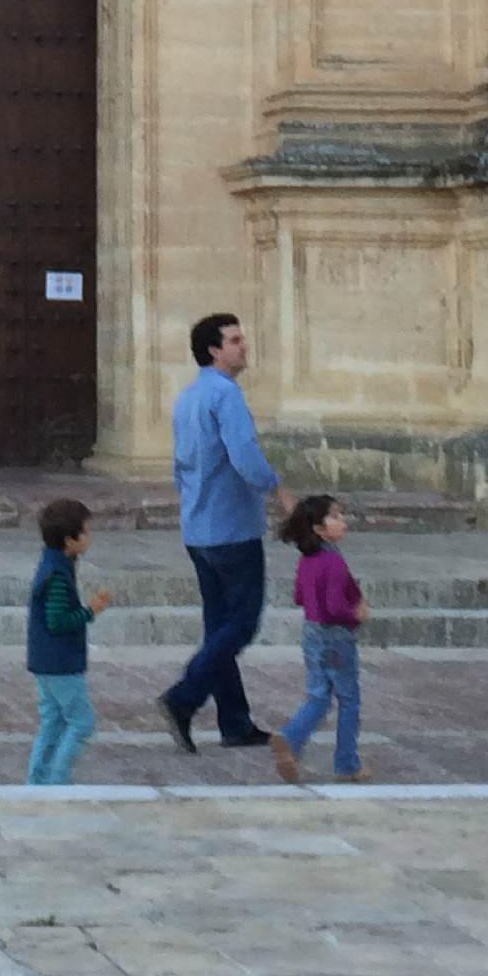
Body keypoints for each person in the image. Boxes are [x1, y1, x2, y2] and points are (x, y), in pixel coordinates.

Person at [158, 311, 279, 755]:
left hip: (198, 527)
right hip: (232, 527)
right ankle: (183, 697)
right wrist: (277, 488)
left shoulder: (188, 397)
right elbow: (245, 456)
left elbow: (179, 464)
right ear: (214, 349)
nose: (243, 346)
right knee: (242, 623)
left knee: (219, 628)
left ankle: (235, 721)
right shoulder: (225, 396)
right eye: (234, 340)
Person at [269, 489, 364, 783]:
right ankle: (347, 762)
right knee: (348, 699)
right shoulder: (334, 562)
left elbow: (299, 596)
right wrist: (355, 613)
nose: (342, 520)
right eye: (334, 516)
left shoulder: (307, 560)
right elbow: (335, 606)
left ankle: (291, 737)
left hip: (312, 633)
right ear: (319, 529)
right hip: (336, 636)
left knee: (319, 695)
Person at [25, 496, 110, 785]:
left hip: (43, 660)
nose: (89, 537)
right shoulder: (57, 575)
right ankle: (57, 780)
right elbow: (57, 620)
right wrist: (90, 611)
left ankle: (37, 780)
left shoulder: (54, 563)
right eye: (85, 531)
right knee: (81, 722)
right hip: (60, 662)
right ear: (69, 539)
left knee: (52, 721)